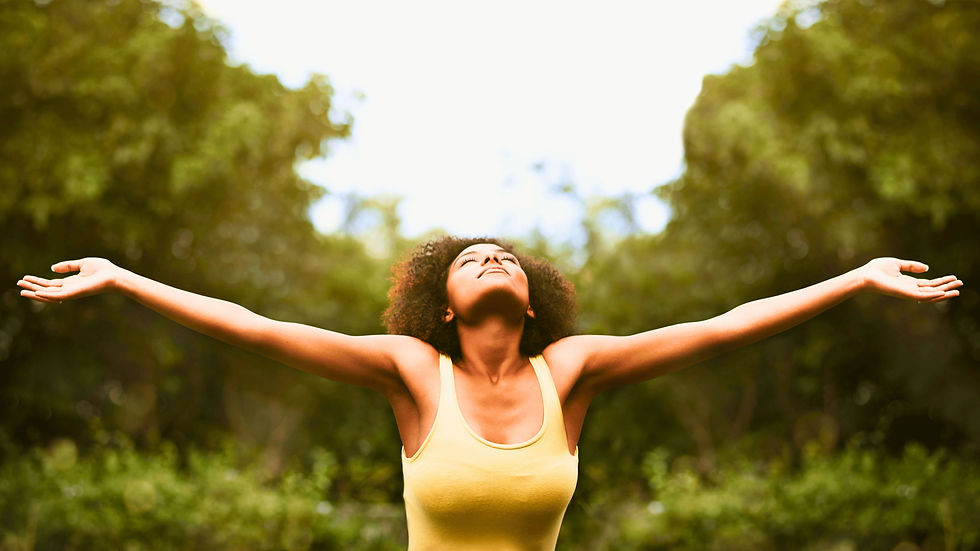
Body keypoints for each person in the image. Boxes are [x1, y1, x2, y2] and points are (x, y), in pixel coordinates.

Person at [17, 236, 963, 550]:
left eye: (504, 252)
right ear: (444, 306)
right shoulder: (412, 372)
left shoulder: (573, 371)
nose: (492, 255)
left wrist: (855, 278)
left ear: (530, 297)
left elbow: (720, 326)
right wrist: (125, 278)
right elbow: (260, 327)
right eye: (472, 258)